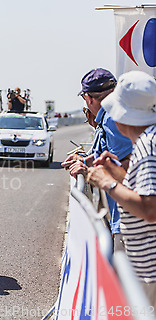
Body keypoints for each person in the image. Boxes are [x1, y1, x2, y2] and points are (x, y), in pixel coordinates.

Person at [86, 71, 156, 305]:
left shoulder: (147, 147)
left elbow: (150, 208)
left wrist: (107, 181)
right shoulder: (148, 141)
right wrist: (118, 172)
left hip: (149, 269)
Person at [62, 68, 133, 250]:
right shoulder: (111, 116)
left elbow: (127, 162)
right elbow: (110, 153)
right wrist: (84, 160)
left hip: (127, 217)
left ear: (89, 99)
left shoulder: (111, 117)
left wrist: (87, 170)